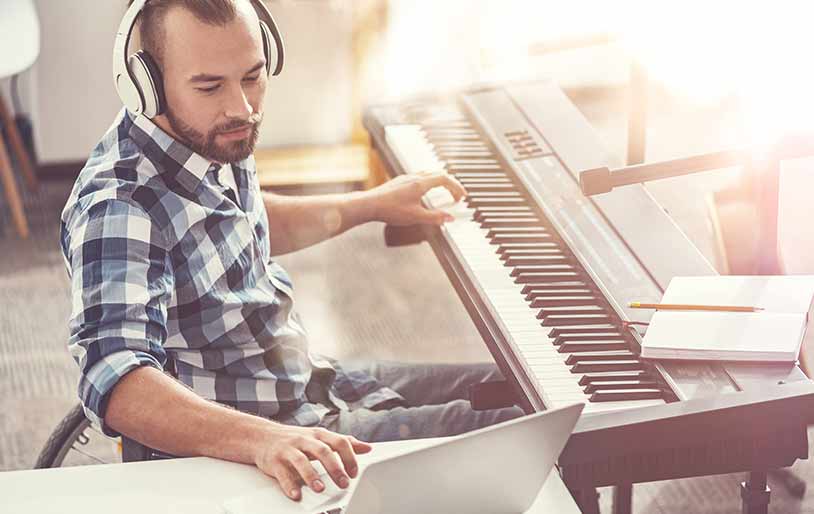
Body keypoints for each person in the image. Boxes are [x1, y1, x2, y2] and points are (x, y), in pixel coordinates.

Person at [60, 0, 523, 502]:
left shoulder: (209, 138)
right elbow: (118, 382)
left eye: (253, 76)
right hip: (272, 435)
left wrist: (372, 204)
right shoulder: (121, 207)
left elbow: (245, 223)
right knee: (537, 435)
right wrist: (265, 440)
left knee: (528, 390)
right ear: (146, 84)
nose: (241, 107)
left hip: (309, 379)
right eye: (210, 85)